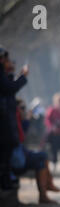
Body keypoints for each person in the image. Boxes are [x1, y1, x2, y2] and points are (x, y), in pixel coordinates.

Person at [12, 99, 60, 204]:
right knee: (42, 157)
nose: (24, 111)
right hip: (16, 156)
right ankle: (47, 188)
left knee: (41, 160)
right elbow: (20, 138)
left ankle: (44, 193)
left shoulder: (17, 120)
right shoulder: (13, 120)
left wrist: (26, 120)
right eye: (22, 108)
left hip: (19, 153)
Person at [0, 46, 28, 190]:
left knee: (6, 157)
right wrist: (22, 77)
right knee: (4, 158)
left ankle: (7, 182)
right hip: (4, 125)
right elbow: (9, 88)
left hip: (7, 124)